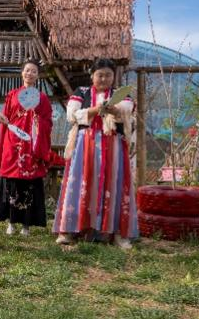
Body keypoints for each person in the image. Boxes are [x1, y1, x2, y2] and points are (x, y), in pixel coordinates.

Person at [52, 58, 138, 248]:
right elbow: (72, 115)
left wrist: (114, 110)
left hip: (113, 146)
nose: (104, 79)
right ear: (92, 76)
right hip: (85, 145)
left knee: (114, 184)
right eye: (100, 75)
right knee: (80, 184)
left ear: (114, 77)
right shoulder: (81, 92)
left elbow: (127, 110)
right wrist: (96, 109)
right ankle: (70, 230)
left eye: (108, 75)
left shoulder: (121, 94)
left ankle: (116, 233)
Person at [0, 59, 53, 236]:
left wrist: (38, 120)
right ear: (22, 73)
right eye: (27, 70)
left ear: (38, 75)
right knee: (11, 183)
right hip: (12, 142)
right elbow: (6, 118)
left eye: (34, 71)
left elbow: (48, 122)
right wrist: (2, 123)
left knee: (29, 184)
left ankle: (26, 225)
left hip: (31, 144)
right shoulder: (12, 95)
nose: (30, 74)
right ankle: (11, 222)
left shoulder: (43, 99)